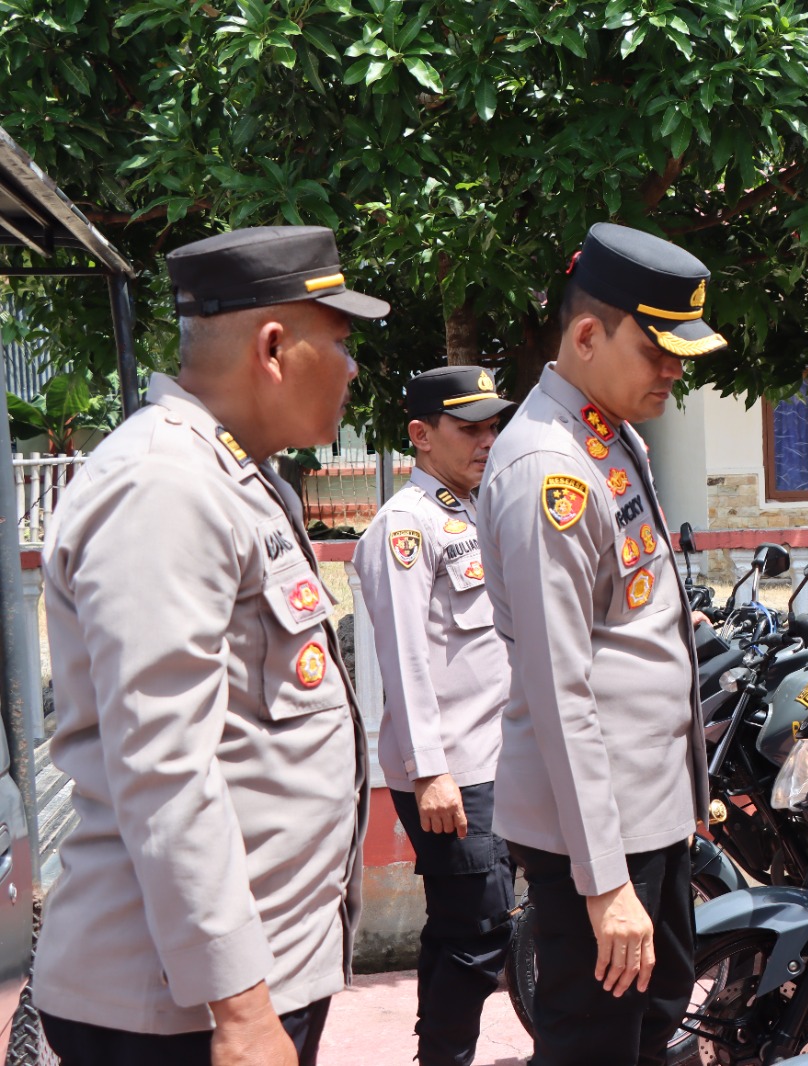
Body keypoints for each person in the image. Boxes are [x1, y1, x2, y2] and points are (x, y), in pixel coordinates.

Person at [33, 226, 385, 1065]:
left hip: (244, 981)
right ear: (273, 347)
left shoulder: (232, 476)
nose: (354, 366)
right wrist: (239, 1008)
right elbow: (164, 765)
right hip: (181, 1011)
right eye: (338, 341)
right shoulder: (164, 486)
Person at [478, 222, 717, 1066]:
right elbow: (560, 690)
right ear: (588, 335)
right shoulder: (551, 470)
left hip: (641, 818)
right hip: (599, 837)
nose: (675, 370)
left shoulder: (605, 435)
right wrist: (605, 882)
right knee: (594, 1046)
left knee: (650, 1029)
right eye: (660, 350)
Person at [353, 365, 515, 1066]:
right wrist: (430, 772)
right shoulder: (406, 528)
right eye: (469, 428)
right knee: (478, 934)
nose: (487, 441)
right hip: (455, 771)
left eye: (492, 426)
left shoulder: (479, 510)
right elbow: (405, 660)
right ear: (421, 436)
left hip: (502, 758)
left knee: (465, 927)